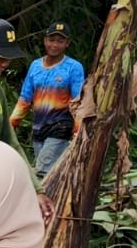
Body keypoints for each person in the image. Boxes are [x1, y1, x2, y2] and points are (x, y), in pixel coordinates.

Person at [9, 22, 85, 178]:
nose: (54, 45)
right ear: (45, 40)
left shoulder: (73, 67)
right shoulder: (35, 66)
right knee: (49, 172)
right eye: (51, 40)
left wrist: (78, 132)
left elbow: (78, 102)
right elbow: (25, 99)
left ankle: (37, 194)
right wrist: (10, 125)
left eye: (60, 41)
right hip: (39, 127)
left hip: (60, 127)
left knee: (41, 172)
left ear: (67, 43)